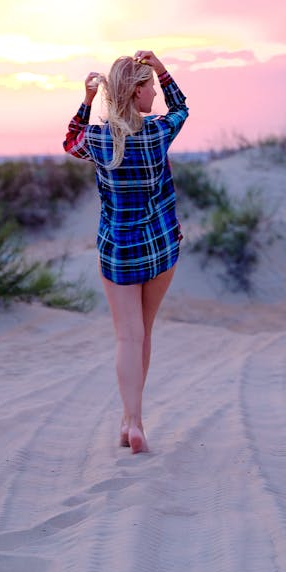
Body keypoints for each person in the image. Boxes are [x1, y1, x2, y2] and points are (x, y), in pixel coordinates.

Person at [63, 50, 188, 454]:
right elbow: (181, 107)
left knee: (127, 338)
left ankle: (131, 420)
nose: (154, 93)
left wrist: (86, 100)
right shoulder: (157, 132)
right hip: (160, 247)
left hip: (118, 252)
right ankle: (133, 421)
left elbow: (69, 142)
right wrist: (162, 67)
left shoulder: (98, 140)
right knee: (144, 333)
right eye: (149, 86)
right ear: (136, 92)